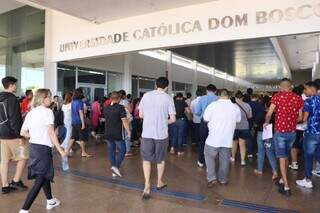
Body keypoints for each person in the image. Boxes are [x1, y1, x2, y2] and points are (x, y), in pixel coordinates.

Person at [19, 89, 66, 213]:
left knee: (44, 175)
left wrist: (35, 135)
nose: (51, 99)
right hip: (43, 150)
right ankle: (24, 210)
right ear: (43, 98)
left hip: (34, 148)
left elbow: (23, 132)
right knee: (39, 179)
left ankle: (50, 200)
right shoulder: (47, 112)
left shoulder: (31, 112)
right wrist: (60, 150)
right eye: (50, 97)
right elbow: (51, 133)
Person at [264, 78, 303, 196]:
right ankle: (281, 179)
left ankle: (286, 187)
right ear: (290, 87)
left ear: (281, 87)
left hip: (280, 132)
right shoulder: (298, 99)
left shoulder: (277, 96)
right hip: (292, 133)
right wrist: (291, 121)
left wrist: (266, 122)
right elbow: (300, 118)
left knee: (282, 158)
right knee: (286, 156)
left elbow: (269, 114)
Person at [139, 77, 176, 199]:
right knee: (160, 159)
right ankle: (159, 182)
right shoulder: (168, 98)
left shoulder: (146, 96)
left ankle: (146, 185)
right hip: (161, 134)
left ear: (155, 85)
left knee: (146, 159)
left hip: (147, 133)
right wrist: (163, 121)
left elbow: (141, 114)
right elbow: (173, 119)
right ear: (166, 87)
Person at [204, 89, 241, 187]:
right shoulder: (235, 107)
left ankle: (211, 178)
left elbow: (205, 119)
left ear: (218, 95)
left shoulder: (212, 105)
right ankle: (223, 179)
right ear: (228, 95)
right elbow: (238, 120)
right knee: (225, 160)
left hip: (213, 139)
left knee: (209, 157)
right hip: (227, 139)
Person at [0, 76, 28, 194]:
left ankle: (5, 186)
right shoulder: (12, 99)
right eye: (15, 85)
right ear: (11, 85)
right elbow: (14, 119)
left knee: (4, 161)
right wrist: (20, 135)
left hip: (1, 134)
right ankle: (16, 180)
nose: (16, 87)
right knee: (24, 156)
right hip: (13, 135)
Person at [296, 81, 320, 189]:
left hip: (312, 132)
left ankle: (307, 180)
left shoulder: (309, 101)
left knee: (308, 156)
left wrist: (294, 121)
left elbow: (304, 119)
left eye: (306, 89)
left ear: (311, 89)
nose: (305, 91)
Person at [104, 91, 131, 177]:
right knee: (123, 150)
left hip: (108, 132)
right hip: (118, 133)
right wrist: (129, 131)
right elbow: (124, 121)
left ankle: (114, 170)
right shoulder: (120, 108)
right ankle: (115, 167)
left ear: (110, 99)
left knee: (111, 151)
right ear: (119, 99)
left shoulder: (106, 108)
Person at [252, 94, 278, 180]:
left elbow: (256, 123)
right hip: (270, 134)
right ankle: (275, 171)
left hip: (261, 133)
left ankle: (260, 170)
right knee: (270, 152)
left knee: (261, 151)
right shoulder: (275, 114)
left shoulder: (261, 112)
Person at [194, 84, 218, 168]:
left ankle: (201, 161)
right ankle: (211, 163)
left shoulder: (202, 98)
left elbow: (197, 112)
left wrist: (202, 114)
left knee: (202, 142)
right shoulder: (218, 99)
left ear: (207, 91)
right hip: (215, 124)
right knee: (213, 142)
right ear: (215, 91)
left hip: (204, 122)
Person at [66, 88, 92, 157]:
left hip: (74, 122)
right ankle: (83, 152)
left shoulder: (73, 102)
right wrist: (83, 123)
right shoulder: (80, 102)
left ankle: (67, 151)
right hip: (79, 122)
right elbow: (81, 113)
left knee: (73, 137)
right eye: (82, 92)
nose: (83, 93)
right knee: (82, 138)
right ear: (80, 93)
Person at [231, 91, 252, 166]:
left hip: (235, 127)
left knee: (234, 143)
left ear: (235, 97)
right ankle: (243, 161)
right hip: (245, 127)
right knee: (242, 144)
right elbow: (249, 116)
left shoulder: (232, 106)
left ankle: (233, 157)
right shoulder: (247, 105)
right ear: (242, 97)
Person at [289, 85, 306, 171]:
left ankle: (294, 163)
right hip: (304, 127)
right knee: (301, 144)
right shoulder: (305, 101)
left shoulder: (294, 101)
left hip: (296, 126)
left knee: (294, 145)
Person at [119, 90, 133, 156]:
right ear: (124, 95)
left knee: (121, 135)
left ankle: (120, 149)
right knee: (127, 134)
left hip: (119, 120)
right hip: (127, 119)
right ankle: (127, 151)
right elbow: (130, 110)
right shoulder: (125, 101)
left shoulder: (117, 102)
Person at [61, 91, 73, 166]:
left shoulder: (63, 105)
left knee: (68, 133)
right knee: (69, 134)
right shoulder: (70, 105)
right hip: (69, 120)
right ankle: (65, 146)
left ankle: (65, 146)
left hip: (65, 120)